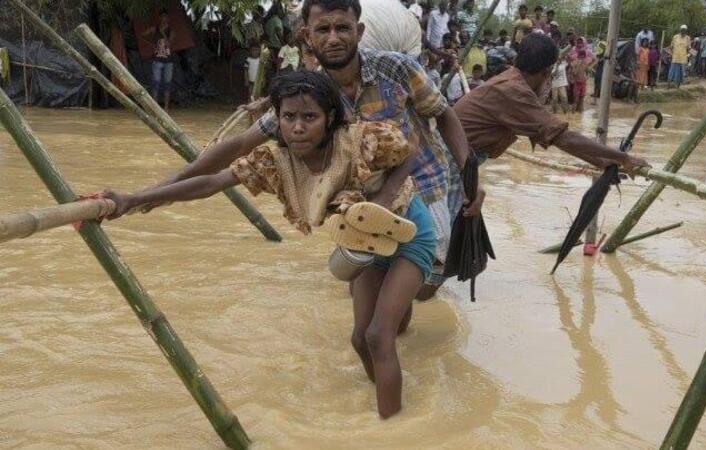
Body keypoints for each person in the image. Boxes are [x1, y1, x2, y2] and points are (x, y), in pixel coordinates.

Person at [101, 71, 435, 419]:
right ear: (278, 119)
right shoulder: (273, 162)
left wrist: (385, 195)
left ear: (330, 117)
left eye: (310, 117)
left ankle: (393, 427)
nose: (298, 128)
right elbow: (211, 183)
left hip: (409, 232)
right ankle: (388, 398)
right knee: (360, 340)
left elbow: (410, 150)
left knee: (379, 336)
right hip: (363, 243)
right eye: (289, 117)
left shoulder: (362, 139)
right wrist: (135, 199)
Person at [251, 0, 477, 298]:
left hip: (424, 185)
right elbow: (253, 138)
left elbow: (444, 114)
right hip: (368, 198)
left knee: (421, 288)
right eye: (323, 30)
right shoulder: (315, 92)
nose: (333, 38)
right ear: (308, 36)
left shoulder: (396, 68)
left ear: (358, 32)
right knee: (369, 286)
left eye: (342, 28)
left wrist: (470, 176)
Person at [453, 33, 649, 172]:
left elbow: (554, 137)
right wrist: (624, 157)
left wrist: (601, 162)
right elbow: (563, 138)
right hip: (451, 161)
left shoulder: (511, 81)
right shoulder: (515, 92)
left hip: (459, 157)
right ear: (547, 72)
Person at [144, 10, 175, 111]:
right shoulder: (154, 29)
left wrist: (163, 33)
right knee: (156, 83)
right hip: (157, 60)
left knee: (167, 84)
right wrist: (151, 45)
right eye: (162, 17)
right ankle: (155, 107)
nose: (164, 19)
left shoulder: (171, 31)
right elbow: (143, 35)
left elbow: (169, 44)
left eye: (165, 17)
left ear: (168, 19)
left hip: (168, 61)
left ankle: (166, 107)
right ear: (159, 18)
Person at [263, 1, 286, 71]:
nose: (283, 12)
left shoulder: (269, 21)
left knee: (272, 67)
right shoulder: (277, 20)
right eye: (282, 10)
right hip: (276, 47)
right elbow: (278, 32)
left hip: (269, 47)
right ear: (278, 11)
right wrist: (284, 45)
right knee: (278, 67)